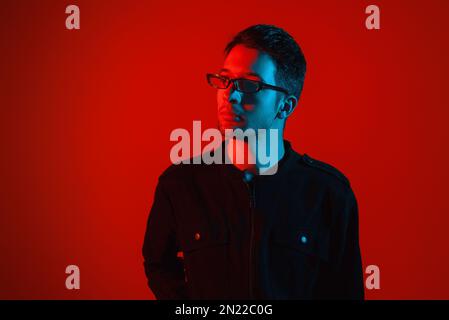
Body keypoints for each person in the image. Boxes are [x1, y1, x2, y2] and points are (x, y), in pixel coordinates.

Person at [142, 24, 364, 299]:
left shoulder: (329, 194)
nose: (230, 95)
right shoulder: (180, 184)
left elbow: (345, 291)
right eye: (224, 80)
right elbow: (158, 265)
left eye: (249, 85)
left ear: (286, 105)